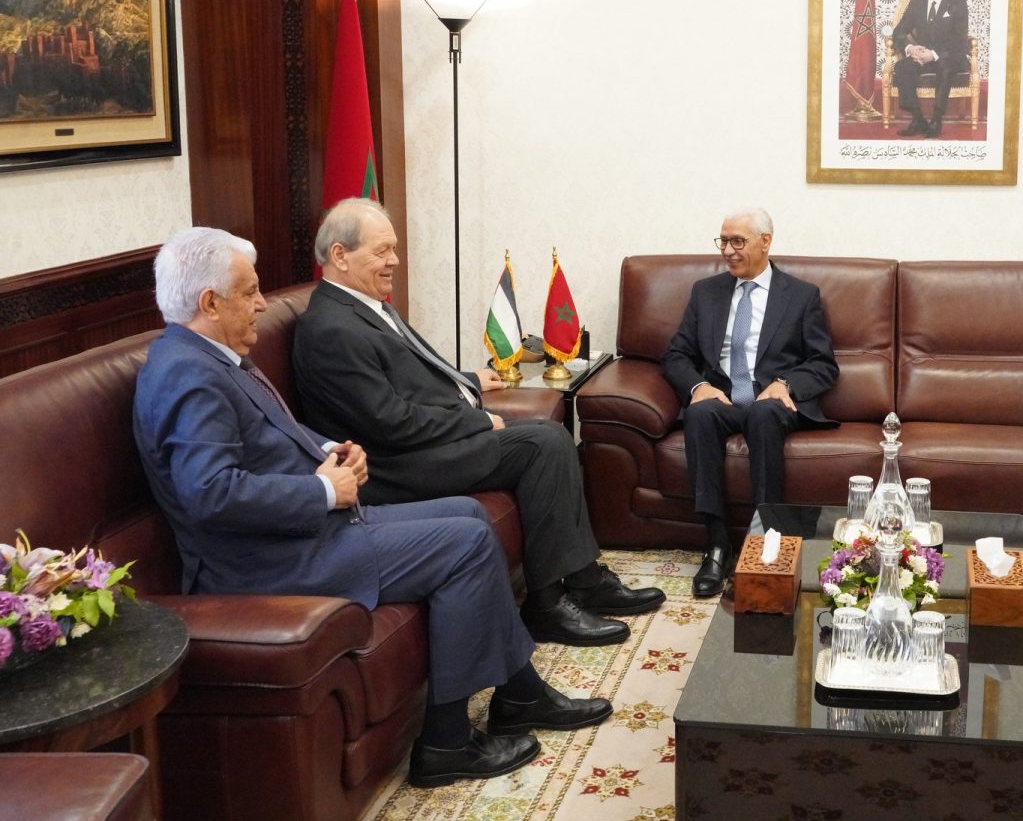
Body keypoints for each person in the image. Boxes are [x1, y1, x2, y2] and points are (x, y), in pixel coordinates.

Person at [133, 227, 612, 789]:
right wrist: (321, 491)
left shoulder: (212, 356)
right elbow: (209, 493)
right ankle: (446, 743)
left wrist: (330, 450)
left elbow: (269, 435)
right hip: (265, 562)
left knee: (468, 515)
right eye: (250, 292)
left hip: (303, 534)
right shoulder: (186, 373)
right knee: (463, 544)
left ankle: (519, 693)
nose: (262, 302)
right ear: (209, 302)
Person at [291, 199, 664, 648]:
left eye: (394, 249)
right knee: (542, 445)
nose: (394, 261)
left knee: (549, 434)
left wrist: (466, 380)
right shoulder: (331, 328)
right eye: (382, 251)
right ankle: (547, 606)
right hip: (394, 467)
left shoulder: (364, 306)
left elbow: (412, 374)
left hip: (419, 447)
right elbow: (388, 423)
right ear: (339, 255)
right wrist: (476, 422)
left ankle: (584, 579)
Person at [661, 208, 840, 597]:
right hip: (723, 397)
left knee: (763, 412)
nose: (728, 250)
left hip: (771, 401)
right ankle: (716, 545)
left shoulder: (801, 295)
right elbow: (676, 355)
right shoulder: (706, 292)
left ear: (765, 241)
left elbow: (823, 364)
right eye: (723, 241)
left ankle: (763, 545)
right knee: (700, 412)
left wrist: (785, 384)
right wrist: (697, 387)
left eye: (737, 241)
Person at [890, 0, 970, 137]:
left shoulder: (958, 3)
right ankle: (918, 119)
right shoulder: (916, 3)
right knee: (902, 67)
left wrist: (933, 55)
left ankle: (936, 119)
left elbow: (959, 40)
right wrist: (910, 48)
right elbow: (899, 32)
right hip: (921, 57)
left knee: (945, 65)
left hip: (949, 56)